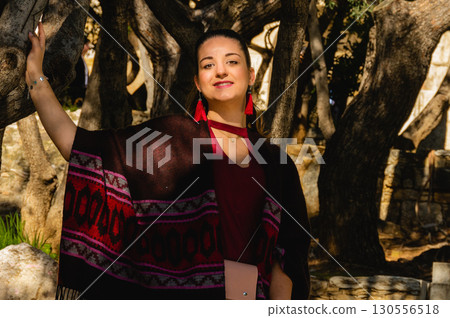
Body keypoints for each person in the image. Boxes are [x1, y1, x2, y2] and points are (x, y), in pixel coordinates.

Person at [26, 22, 311, 300]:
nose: (220, 70)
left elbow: (286, 259)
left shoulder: (276, 163)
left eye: (232, 61)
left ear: (250, 75)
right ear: (198, 82)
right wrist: (36, 77)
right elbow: (78, 146)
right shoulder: (170, 139)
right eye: (208, 64)